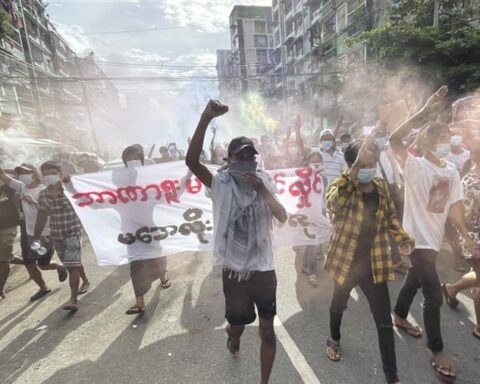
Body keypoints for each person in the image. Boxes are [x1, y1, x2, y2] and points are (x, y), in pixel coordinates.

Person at [186, 99, 287, 384]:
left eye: (251, 157)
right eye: (240, 158)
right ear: (229, 161)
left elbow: (283, 216)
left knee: (267, 331)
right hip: (234, 270)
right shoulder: (221, 184)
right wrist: (206, 117)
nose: (247, 162)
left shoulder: (264, 181)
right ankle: (234, 336)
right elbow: (192, 162)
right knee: (238, 325)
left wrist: (264, 193)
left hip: (263, 268)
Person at [389, 86, 477, 382]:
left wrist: (463, 237)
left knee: (413, 282)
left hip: (435, 240)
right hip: (415, 241)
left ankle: (399, 315)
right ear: (425, 144)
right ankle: (437, 349)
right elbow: (393, 140)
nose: (442, 143)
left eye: (444, 139)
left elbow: (454, 208)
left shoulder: (451, 171)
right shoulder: (413, 166)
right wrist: (426, 109)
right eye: (436, 139)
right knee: (432, 294)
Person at [324, 135, 413, 384]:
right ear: (353, 165)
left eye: (373, 162)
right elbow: (334, 204)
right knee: (338, 305)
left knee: (384, 323)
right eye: (365, 163)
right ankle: (334, 338)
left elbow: (391, 218)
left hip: (375, 264)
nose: (370, 168)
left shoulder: (380, 186)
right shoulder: (341, 185)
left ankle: (391, 376)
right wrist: (353, 171)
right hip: (346, 262)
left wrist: (402, 238)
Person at [0, 164, 68, 301]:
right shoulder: (21, 187)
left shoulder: (44, 190)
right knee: (28, 261)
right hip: (28, 232)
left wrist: (33, 202)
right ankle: (43, 287)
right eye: (20, 173)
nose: (23, 175)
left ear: (35, 173)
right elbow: (4, 177)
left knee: (43, 264)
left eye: (26, 172)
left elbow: (51, 210)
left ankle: (58, 266)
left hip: (45, 234)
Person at [121, 145, 171, 316]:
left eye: (135, 158)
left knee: (157, 255)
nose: (131, 162)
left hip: (150, 225)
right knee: (135, 264)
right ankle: (139, 301)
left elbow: (164, 192)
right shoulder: (120, 180)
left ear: (141, 159)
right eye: (128, 159)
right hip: (131, 229)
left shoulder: (150, 177)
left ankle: (163, 276)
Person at [33, 161, 90, 311]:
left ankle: (73, 299)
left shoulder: (68, 188)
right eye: (46, 174)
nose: (49, 176)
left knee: (71, 266)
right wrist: (36, 236)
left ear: (59, 173)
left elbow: (84, 197)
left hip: (72, 231)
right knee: (73, 263)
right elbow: (41, 216)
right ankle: (85, 281)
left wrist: (70, 182)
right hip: (56, 235)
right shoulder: (43, 195)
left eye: (52, 173)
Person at [441, 125, 480, 340]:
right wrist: (466, 238)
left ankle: (452, 289)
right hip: (474, 237)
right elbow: (458, 215)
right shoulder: (469, 182)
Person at [300, 151, 329, 287]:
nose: (316, 163)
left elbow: (323, 196)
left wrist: (324, 209)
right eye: (313, 160)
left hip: (319, 213)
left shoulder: (323, 179)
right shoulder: (302, 178)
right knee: (312, 241)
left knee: (312, 241)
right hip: (306, 213)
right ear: (308, 163)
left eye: (319, 160)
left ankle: (307, 266)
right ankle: (312, 272)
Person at [0, 169, 20, 300]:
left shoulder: (8, 187)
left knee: (3, 259)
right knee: (8, 257)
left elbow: (17, 204)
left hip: (9, 227)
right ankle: (31, 263)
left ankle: (0, 291)